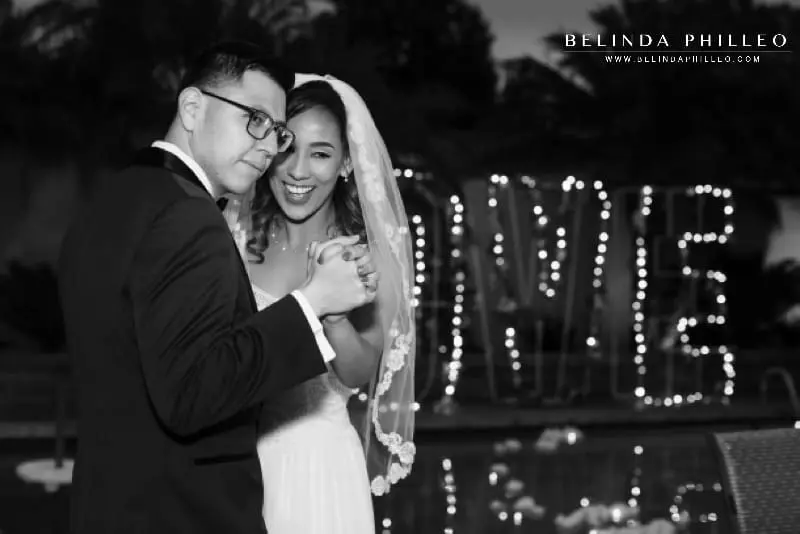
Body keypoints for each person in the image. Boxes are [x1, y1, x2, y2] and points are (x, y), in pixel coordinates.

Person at [57, 42, 377, 534]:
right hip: (182, 513)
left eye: (276, 132)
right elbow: (193, 395)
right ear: (192, 107)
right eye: (254, 119)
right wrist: (313, 305)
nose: (270, 147)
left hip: (109, 504)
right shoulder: (190, 216)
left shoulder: (113, 199)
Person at [225, 73, 416, 534]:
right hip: (232, 467)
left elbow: (357, 371)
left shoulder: (367, 257)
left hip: (317, 473)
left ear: (347, 164)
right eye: (288, 148)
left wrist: (330, 312)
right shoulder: (232, 237)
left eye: (321, 154)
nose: (298, 171)